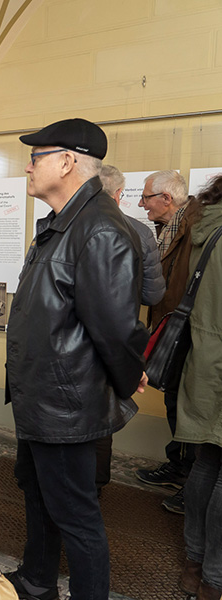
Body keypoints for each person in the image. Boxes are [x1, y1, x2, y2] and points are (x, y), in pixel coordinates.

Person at [5, 118, 149, 600]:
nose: (27, 166)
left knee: (77, 516)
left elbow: (116, 327)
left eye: (37, 156)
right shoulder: (65, 223)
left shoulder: (99, 230)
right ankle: (36, 581)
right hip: (43, 398)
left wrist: (130, 378)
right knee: (40, 496)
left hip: (65, 404)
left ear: (67, 162)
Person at [93, 165, 165, 492]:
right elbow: (153, 294)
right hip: (121, 333)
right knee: (104, 407)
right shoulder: (139, 231)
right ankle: (97, 480)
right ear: (119, 194)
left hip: (76, 336)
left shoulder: (66, 226)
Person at [135, 169, 201, 514]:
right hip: (169, 327)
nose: (141, 203)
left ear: (166, 199)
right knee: (174, 400)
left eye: (146, 197)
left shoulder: (194, 228)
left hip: (186, 332)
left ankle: (191, 481)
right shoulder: (169, 230)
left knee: (184, 404)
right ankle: (178, 466)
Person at [173, 174, 222, 600]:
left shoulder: (207, 226)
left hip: (205, 363)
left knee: (207, 464)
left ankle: (193, 563)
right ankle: (214, 579)